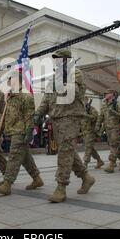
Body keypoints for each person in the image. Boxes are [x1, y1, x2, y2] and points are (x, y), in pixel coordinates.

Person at [34, 49, 95, 203]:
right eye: (55, 59)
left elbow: (75, 92)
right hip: (56, 119)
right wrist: (37, 115)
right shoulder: (53, 78)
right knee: (68, 151)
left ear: (67, 60)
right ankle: (86, 177)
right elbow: (46, 100)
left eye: (60, 59)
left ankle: (61, 187)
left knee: (64, 153)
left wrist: (61, 83)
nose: (57, 61)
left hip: (71, 117)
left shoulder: (76, 73)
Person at [0, 71, 43, 196]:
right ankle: (37, 179)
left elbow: (29, 116)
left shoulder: (25, 96)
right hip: (12, 130)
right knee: (25, 158)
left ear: (16, 80)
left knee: (14, 157)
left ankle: (7, 183)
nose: (9, 82)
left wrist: (29, 132)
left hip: (21, 131)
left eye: (10, 80)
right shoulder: (10, 97)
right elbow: (5, 115)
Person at [97, 89, 120, 173]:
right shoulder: (104, 105)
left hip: (116, 129)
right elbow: (101, 116)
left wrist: (114, 113)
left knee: (114, 145)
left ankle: (111, 164)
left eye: (107, 93)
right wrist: (98, 126)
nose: (105, 95)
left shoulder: (117, 104)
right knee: (115, 147)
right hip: (107, 129)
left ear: (112, 94)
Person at [81, 98, 104, 169]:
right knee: (90, 148)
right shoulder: (81, 110)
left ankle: (85, 163)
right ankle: (99, 161)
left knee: (88, 148)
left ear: (87, 100)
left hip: (91, 132)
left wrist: (87, 115)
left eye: (84, 100)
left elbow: (95, 117)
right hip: (84, 132)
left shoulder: (91, 109)